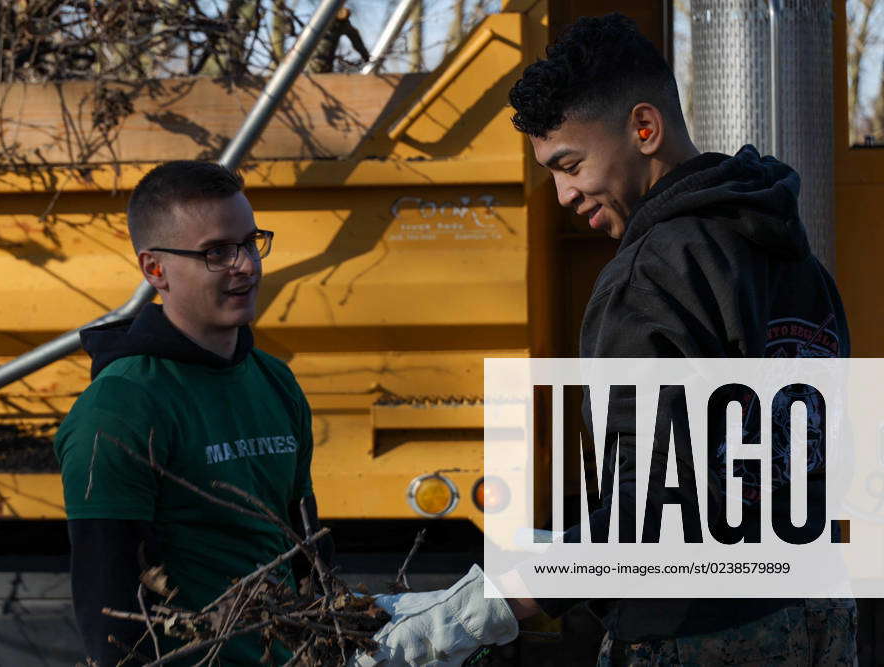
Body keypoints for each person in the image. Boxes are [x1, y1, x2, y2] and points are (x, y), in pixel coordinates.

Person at [355, 12, 856, 666]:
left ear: (643, 129)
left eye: (569, 163)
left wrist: (481, 607)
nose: (562, 193)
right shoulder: (797, 260)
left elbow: (641, 517)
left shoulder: (652, 275)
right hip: (818, 614)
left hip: (697, 633)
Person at [54, 161, 331, 666]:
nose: (246, 265)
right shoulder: (120, 408)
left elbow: (309, 557)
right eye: (217, 252)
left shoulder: (276, 383)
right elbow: (109, 610)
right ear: (154, 269)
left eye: (250, 242)